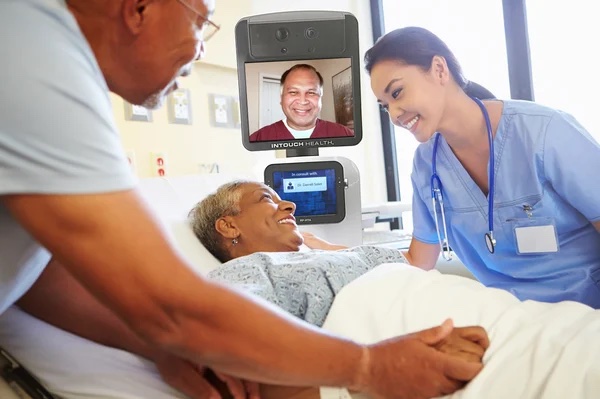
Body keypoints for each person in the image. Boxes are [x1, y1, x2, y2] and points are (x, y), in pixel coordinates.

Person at [0, 2, 486, 398]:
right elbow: (174, 306)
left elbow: (42, 274)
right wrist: (368, 365)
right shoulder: (33, 52)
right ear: (140, 8)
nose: (200, 47)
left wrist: (161, 346)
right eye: (200, 19)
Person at [5, 180, 600, 399]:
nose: (286, 201)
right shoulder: (240, 278)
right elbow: (257, 366)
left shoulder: (336, 255)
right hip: (410, 334)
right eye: (265, 199)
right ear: (228, 229)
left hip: (468, 311)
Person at [364, 26, 600, 308]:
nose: (393, 115)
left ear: (439, 69)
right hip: (509, 321)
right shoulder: (427, 164)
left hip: (587, 315)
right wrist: (333, 256)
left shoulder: (545, 132)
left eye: (398, 93)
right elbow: (418, 262)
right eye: (384, 105)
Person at [249, 64, 354, 142]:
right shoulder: (258, 139)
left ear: (320, 97)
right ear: (281, 98)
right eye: (293, 92)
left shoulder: (344, 135)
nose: (303, 101)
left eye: (311, 93)